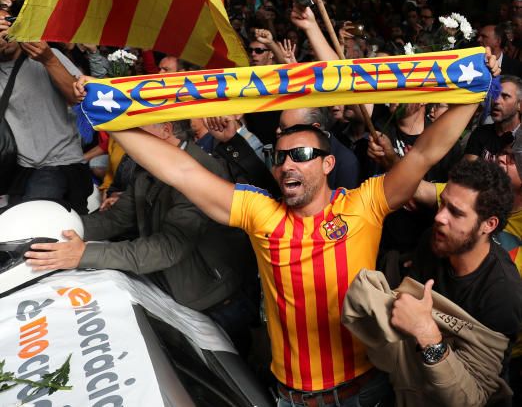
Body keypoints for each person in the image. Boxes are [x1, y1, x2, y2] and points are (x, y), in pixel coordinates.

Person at [66, 52, 498, 406]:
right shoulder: (261, 213)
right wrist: (108, 115)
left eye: (303, 154)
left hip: (364, 393)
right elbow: (179, 170)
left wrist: (473, 93)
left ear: (328, 164)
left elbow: (423, 155)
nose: (287, 163)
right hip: (288, 398)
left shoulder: (363, 205)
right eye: (280, 156)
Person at [25, 119, 259, 355]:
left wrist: (83, 254)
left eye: (134, 132)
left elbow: (169, 247)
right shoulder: (150, 168)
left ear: (165, 130)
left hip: (216, 303)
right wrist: (56, 230)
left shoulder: (201, 173)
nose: (128, 143)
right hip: (177, 293)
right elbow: (115, 219)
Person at [392, 159, 522, 405]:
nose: (440, 217)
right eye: (443, 204)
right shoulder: (434, 241)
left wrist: (427, 334)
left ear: (489, 224)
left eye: (456, 212)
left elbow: (473, 395)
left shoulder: (503, 294)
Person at [0, 10, 92, 213]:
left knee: (35, 221)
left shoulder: (47, 58)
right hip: (19, 169)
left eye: (6, 27)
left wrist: (49, 58)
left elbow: (79, 98)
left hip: (59, 163)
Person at [465, 75, 522, 161]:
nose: (496, 101)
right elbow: (467, 171)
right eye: (495, 95)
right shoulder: (480, 133)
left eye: (505, 96)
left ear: (520, 105)